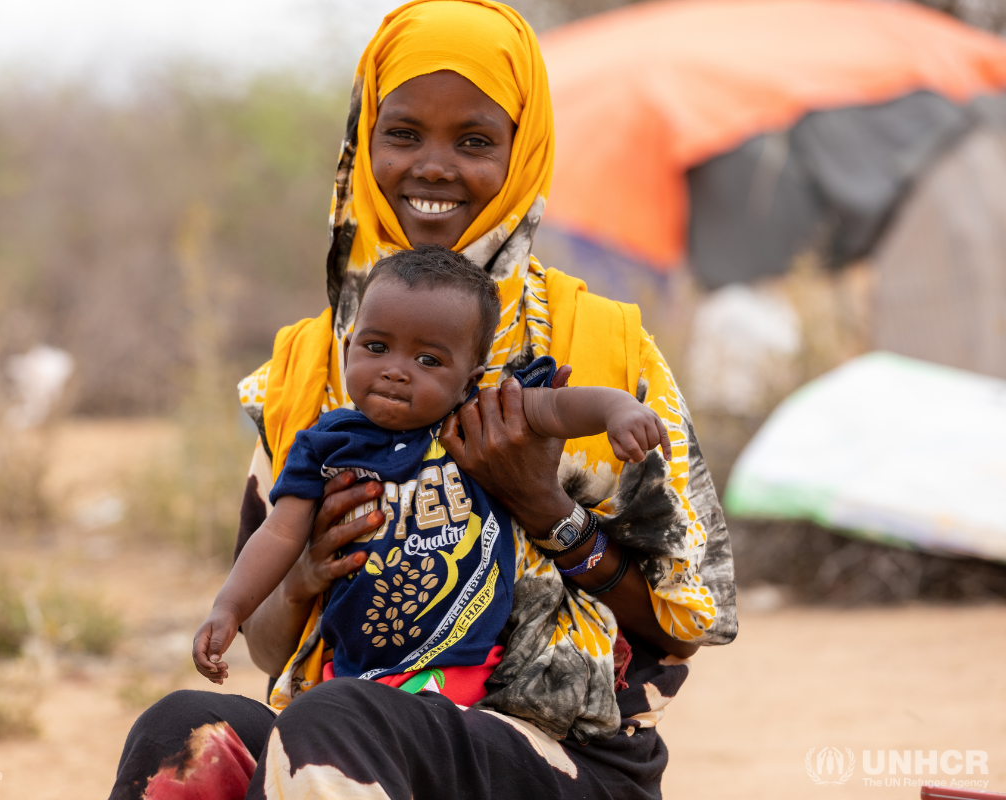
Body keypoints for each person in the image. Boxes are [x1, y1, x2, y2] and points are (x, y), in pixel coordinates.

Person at [110, 2, 736, 798]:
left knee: (342, 718)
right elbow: (272, 652)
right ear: (362, 139)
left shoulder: (601, 348)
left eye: (474, 141)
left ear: (523, 149)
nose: (433, 167)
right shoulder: (313, 368)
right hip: (343, 732)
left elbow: (687, 622)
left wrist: (549, 511)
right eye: (403, 134)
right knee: (182, 730)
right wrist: (304, 574)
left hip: (562, 756)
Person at [192, 245, 672, 693]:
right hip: (354, 672)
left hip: (463, 668)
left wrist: (619, 410)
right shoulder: (326, 445)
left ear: (470, 376)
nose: (396, 370)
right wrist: (228, 607)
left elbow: (561, 408)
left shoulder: (481, 420)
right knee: (336, 736)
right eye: (376, 347)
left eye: (428, 360)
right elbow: (278, 534)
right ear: (348, 345)